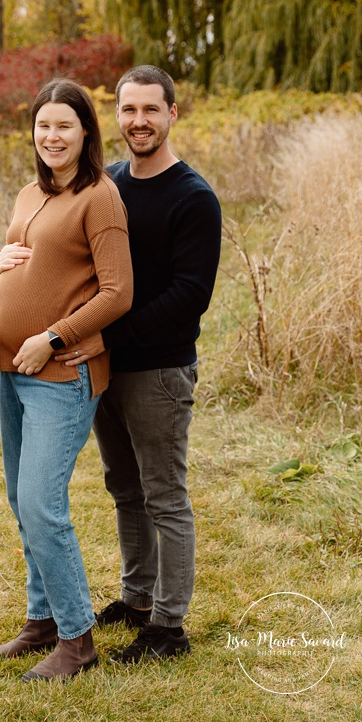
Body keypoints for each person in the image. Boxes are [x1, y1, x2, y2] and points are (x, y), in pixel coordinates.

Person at [55, 65, 222, 664]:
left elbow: (188, 295)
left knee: (164, 496)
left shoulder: (193, 197)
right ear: (117, 115)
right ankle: (137, 597)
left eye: (152, 109)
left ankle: (168, 626)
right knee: (124, 488)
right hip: (106, 368)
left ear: (172, 113)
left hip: (158, 372)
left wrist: (106, 336)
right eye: (129, 110)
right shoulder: (110, 184)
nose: (139, 121)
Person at [0, 79, 133, 682]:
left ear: (86, 132)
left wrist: (52, 337)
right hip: (11, 372)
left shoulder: (100, 197)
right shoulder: (29, 194)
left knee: (43, 506)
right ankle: (41, 620)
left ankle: (77, 641)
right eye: (43, 125)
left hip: (61, 374)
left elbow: (118, 292)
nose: (52, 136)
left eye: (64, 125)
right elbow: (27, 262)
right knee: (23, 502)